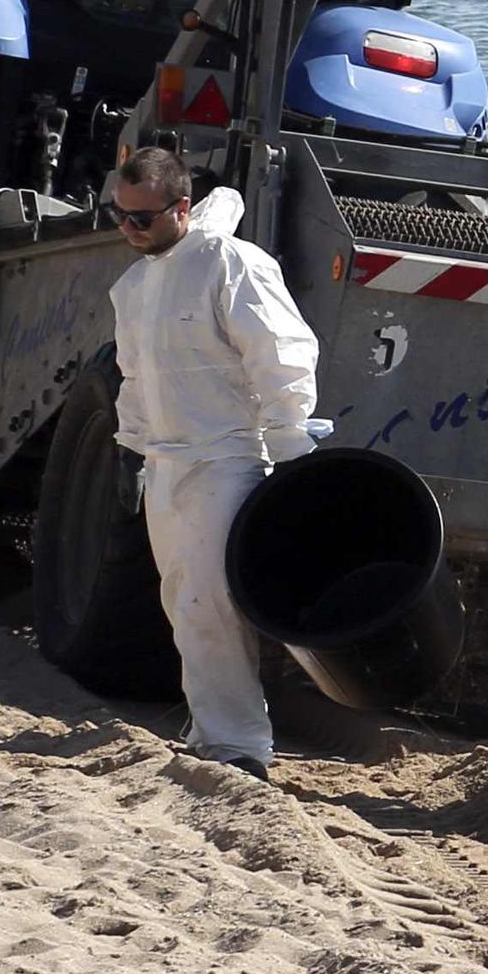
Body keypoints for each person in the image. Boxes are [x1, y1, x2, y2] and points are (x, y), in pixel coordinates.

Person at [104, 146, 324, 777]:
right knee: (181, 600)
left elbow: (280, 356)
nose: (129, 230)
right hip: (168, 462)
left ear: (182, 207)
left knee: (211, 602)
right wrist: (130, 447)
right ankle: (211, 731)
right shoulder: (135, 285)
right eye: (119, 216)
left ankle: (240, 745)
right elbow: (135, 378)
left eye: (142, 219)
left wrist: (289, 452)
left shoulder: (232, 263)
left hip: (229, 457)